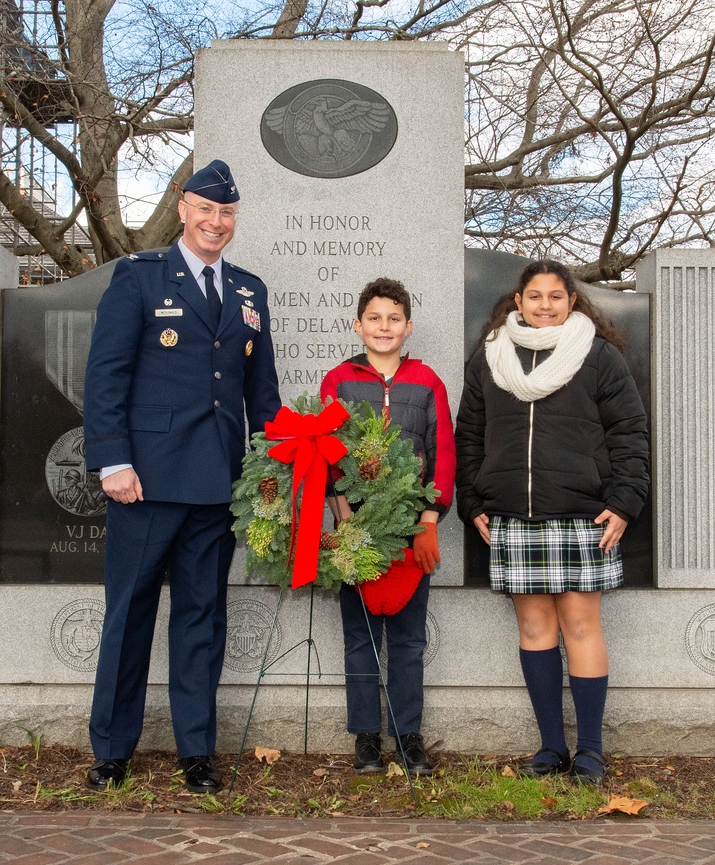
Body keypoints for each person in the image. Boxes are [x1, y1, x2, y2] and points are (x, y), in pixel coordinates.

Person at [82, 160, 281, 793]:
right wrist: (113, 461)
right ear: (183, 209)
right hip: (145, 482)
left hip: (218, 486)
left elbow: (262, 393)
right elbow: (106, 374)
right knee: (130, 614)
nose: (216, 223)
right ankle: (112, 749)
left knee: (203, 617)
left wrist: (272, 470)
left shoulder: (249, 291)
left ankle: (197, 749)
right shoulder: (140, 278)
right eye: (205, 210)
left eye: (226, 214)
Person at [455, 260, 648, 786]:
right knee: (535, 629)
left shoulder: (598, 355)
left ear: (572, 301)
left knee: (582, 626)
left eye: (555, 296)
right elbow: (468, 435)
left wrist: (626, 500)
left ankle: (590, 752)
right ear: (517, 300)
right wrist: (472, 501)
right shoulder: (491, 357)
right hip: (514, 516)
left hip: (583, 515)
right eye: (534, 296)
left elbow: (630, 432)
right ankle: (550, 748)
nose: (544, 305)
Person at [320, 278, 456, 776]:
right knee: (359, 636)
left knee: (407, 638)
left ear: (408, 326)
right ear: (358, 325)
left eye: (393, 318)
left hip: (408, 532)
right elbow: (328, 453)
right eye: (374, 318)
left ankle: (408, 733)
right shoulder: (338, 380)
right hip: (356, 527)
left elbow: (443, 454)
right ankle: (366, 737)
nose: (384, 327)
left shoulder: (428, 382)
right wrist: (343, 519)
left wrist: (429, 521)